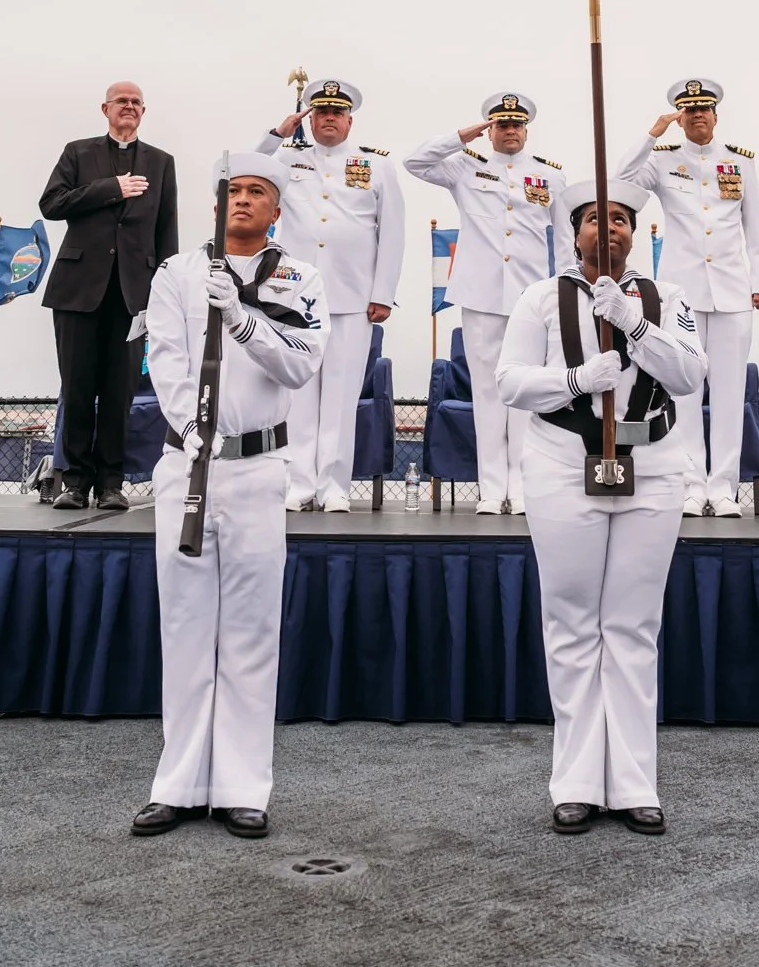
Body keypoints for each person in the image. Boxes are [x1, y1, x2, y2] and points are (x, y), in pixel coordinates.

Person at [497, 179, 703, 834]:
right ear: (575, 232)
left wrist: (633, 325)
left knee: (633, 626)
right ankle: (578, 781)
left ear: (635, 234)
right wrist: (575, 381)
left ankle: (634, 781)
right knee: (571, 623)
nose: (606, 228)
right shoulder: (539, 298)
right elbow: (509, 381)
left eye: (619, 219)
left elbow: (690, 375)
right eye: (594, 219)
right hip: (563, 461)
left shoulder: (668, 298)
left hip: (653, 464)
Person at [132, 153, 324, 841]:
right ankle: (178, 783)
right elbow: (166, 357)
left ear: (276, 210)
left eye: (256, 192)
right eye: (233, 191)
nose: (242, 201)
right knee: (185, 630)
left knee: (248, 632)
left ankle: (244, 786)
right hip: (188, 465)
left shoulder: (300, 278)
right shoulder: (177, 273)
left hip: (257, 466)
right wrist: (191, 429)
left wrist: (243, 321)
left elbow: (302, 364)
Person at [405, 93, 567, 515]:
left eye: (516, 124)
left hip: (530, 297)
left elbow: (565, 237)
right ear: (489, 129)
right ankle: (493, 489)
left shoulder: (549, 176)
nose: (509, 130)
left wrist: (567, 288)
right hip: (479, 294)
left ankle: (524, 484)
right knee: (489, 392)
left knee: (526, 392)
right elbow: (416, 162)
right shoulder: (466, 165)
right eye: (501, 124)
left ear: (526, 130)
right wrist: (462, 136)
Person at [617, 77, 759, 517]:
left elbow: (752, 226)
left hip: (733, 292)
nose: (697, 115)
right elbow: (621, 181)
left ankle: (722, 488)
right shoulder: (662, 162)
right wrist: (652, 134)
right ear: (680, 117)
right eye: (689, 110)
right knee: (682, 391)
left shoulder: (740, 163)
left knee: (728, 392)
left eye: (704, 109)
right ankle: (689, 484)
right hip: (681, 294)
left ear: (716, 116)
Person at [256, 77, 405, 513]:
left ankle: (334, 485)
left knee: (341, 395)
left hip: (352, 296)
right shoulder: (286, 157)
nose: (328, 119)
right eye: (321, 112)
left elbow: (392, 233)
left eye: (336, 113)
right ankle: (298, 482)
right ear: (311, 117)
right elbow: (238, 169)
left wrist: (383, 293)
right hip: (293, 294)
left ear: (349, 121)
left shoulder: (376, 165)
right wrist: (278, 133)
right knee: (298, 393)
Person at [39, 80, 178, 510]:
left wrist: (165, 291)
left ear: (144, 111)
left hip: (133, 294)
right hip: (78, 288)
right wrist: (111, 188)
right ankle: (76, 483)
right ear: (105, 109)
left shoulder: (161, 162)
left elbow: (165, 232)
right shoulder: (78, 153)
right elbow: (52, 204)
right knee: (78, 387)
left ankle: (111, 484)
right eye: (122, 101)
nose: (129, 107)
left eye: (137, 102)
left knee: (120, 393)